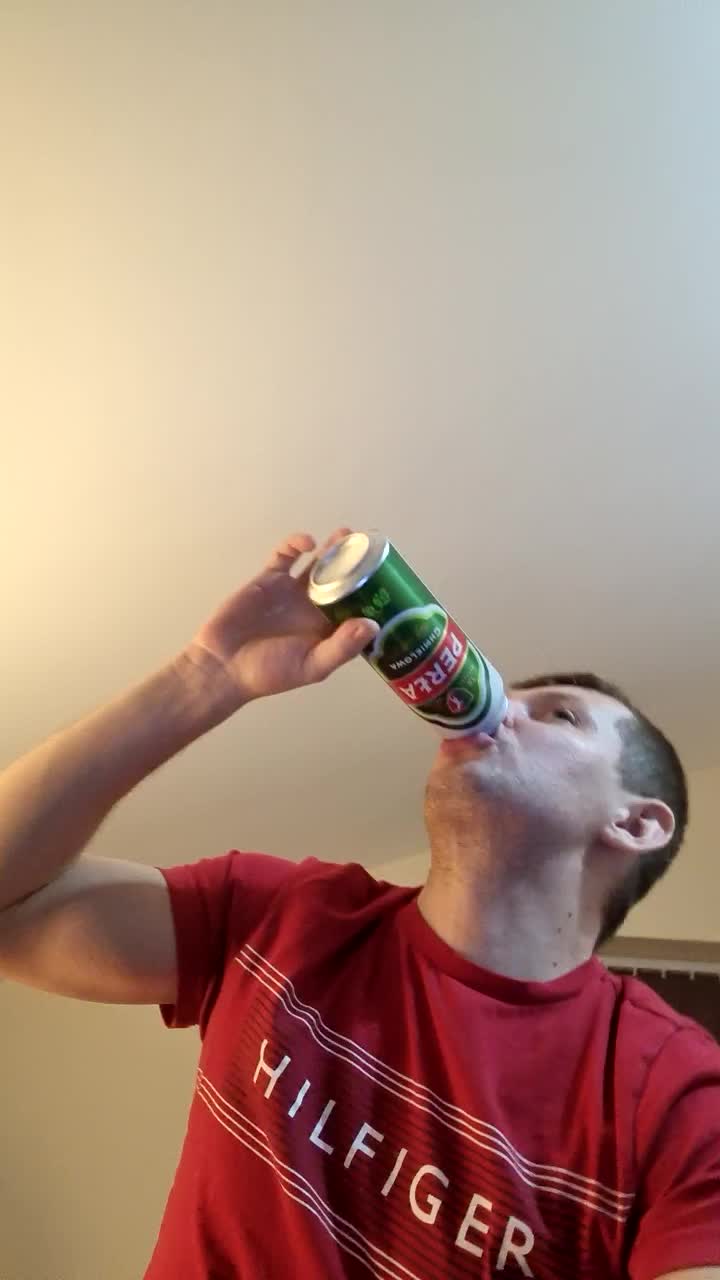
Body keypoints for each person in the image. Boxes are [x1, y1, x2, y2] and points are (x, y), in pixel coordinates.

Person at [1, 528, 718, 1280]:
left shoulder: (673, 1095)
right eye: (510, 693)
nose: (503, 708)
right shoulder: (284, 915)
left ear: (637, 822)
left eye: (560, 716)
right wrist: (202, 679)